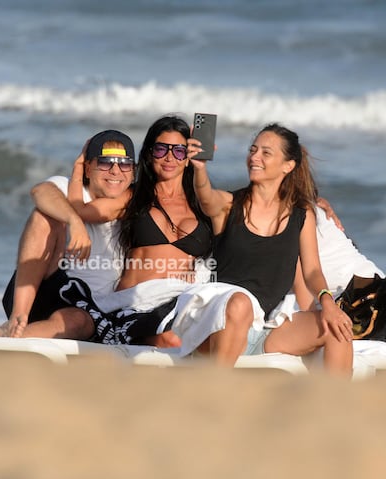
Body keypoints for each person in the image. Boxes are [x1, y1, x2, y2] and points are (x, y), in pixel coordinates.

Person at [59, 115, 265, 361]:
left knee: (235, 307)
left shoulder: (204, 205)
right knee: (172, 341)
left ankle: (214, 391)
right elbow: (80, 210)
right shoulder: (132, 198)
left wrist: (312, 203)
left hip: (182, 303)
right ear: (148, 154)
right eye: (161, 149)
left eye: (179, 151)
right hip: (137, 306)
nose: (170, 157)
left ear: (188, 158)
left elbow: (264, 207)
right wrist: (79, 166)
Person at [190, 123, 354, 375]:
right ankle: (214, 395)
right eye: (252, 150)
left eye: (266, 153)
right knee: (240, 303)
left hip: (266, 328)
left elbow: (311, 270)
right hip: (219, 326)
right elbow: (205, 197)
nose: (254, 157)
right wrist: (200, 168)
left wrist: (328, 303)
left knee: (338, 326)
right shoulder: (228, 205)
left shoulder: (302, 214)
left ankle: (334, 409)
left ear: (288, 166)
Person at [0, 130, 135, 339]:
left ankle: (5, 337)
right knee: (44, 215)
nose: (115, 170)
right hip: (45, 290)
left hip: (86, 311)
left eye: (124, 164)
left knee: (77, 321)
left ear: (133, 171)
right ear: (88, 168)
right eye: (105, 162)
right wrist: (74, 221)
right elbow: (40, 192)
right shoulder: (69, 189)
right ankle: (18, 317)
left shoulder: (136, 206)